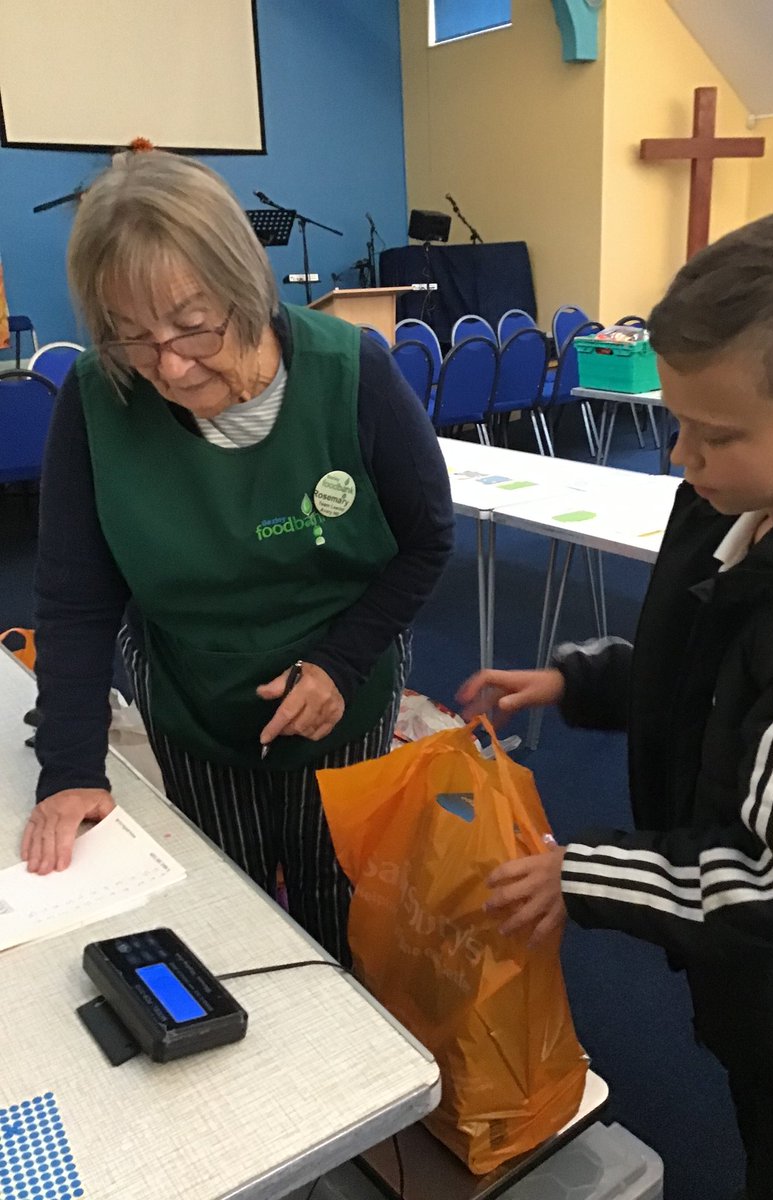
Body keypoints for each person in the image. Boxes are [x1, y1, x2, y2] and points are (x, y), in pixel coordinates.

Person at [459, 212, 773, 1200]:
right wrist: (582, 678)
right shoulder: (734, 494)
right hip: (765, 985)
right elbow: (705, 664)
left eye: (714, 433)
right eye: (674, 421)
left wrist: (582, 875)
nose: (677, 457)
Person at [23, 150, 454, 966]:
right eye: (134, 340)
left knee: (340, 893)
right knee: (230, 904)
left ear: (245, 284)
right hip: (195, 701)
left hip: (345, 688)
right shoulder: (95, 398)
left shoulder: (351, 373)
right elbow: (75, 601)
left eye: (193, 327)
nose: (172, 367)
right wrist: (70, 767)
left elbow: (427, 540)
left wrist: (338, 663)